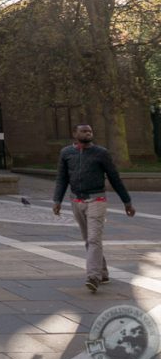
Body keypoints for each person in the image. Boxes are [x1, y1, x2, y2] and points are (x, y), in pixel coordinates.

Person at [53, 123, 135, 292]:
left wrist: (126, 201)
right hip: (76, 201)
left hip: (97, 200)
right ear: (75, 133)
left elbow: (114, 177)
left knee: (93, 239)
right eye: (84, 131)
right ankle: (103, 272)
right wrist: (57, 200)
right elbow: (62, 178)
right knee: (88, 240)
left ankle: (93, 276)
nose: (88, 133)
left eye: (90, 130)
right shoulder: (66, 153)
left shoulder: (101, 153)